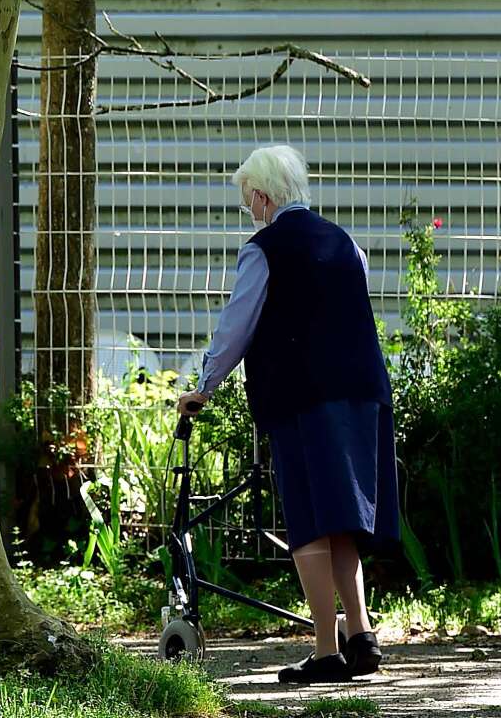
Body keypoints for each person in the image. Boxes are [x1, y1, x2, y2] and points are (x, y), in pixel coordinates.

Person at [177, 145, 399, 685]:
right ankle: (361, 635)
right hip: (364, 391)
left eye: (246, 199)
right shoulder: (347, 244)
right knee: (343, 516)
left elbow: (237, 326)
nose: (248, 209)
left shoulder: (264, 249)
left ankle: (326, 649)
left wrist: (202, 387)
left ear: (261, 194)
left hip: (303, 395)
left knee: (308, 520)